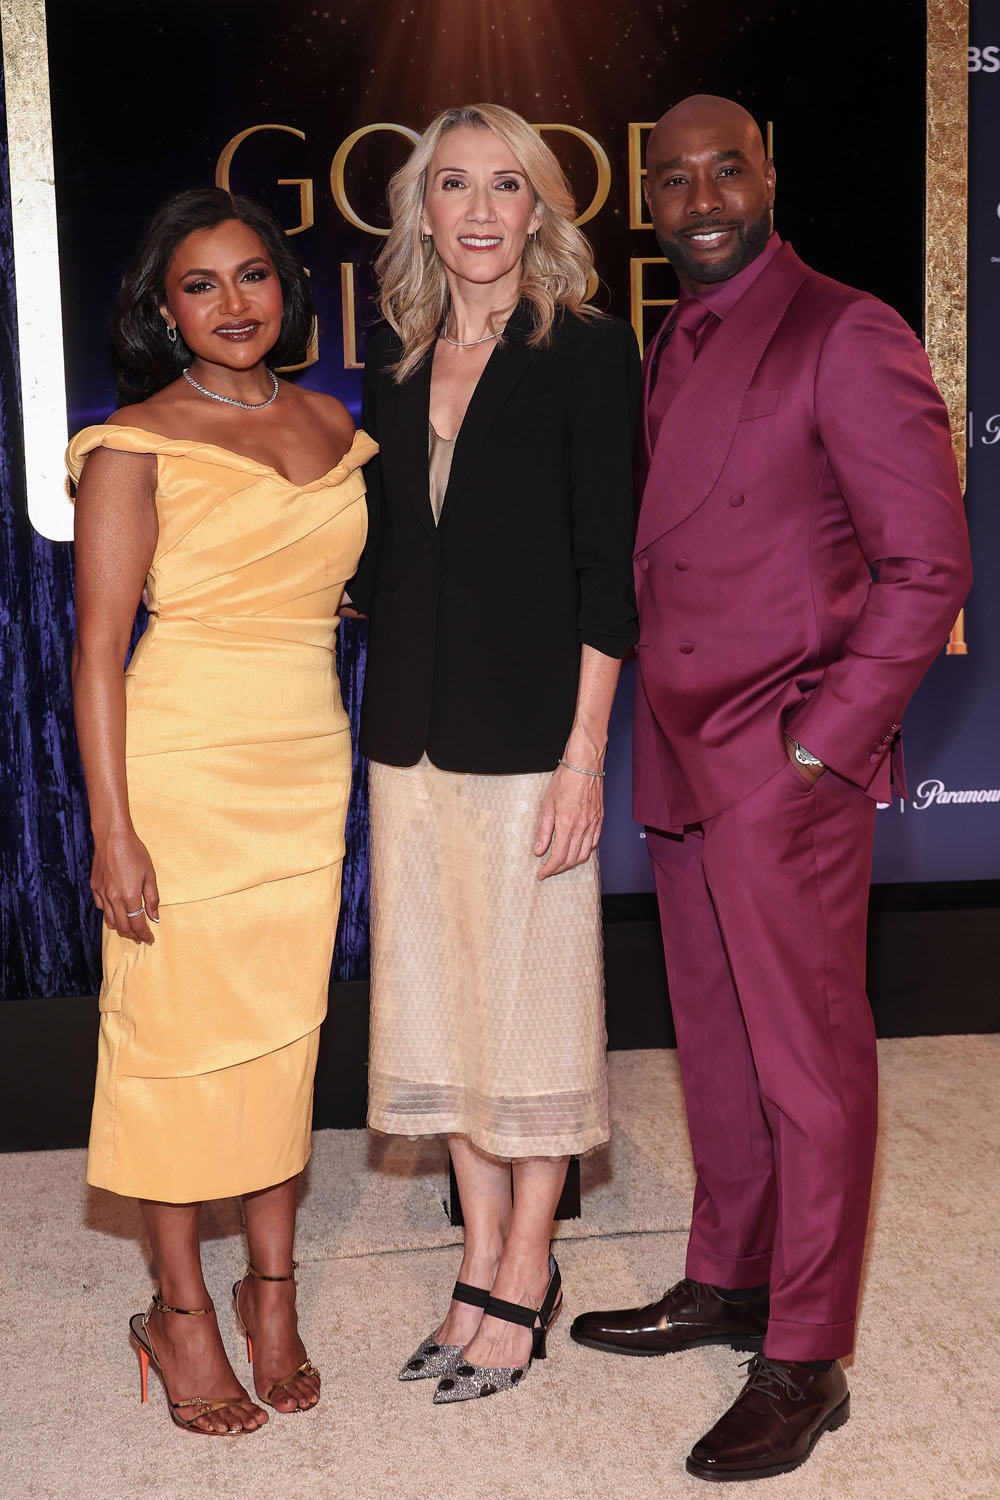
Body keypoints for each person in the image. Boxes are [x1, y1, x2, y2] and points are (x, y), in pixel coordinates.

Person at [570, 95, 972, 1480]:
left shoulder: (845, 330)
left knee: (809, 1065)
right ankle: (730, 1278)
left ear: (769, 177)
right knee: (717, 1045)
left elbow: (929, 564)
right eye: (673, 180)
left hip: (783, 756)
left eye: (724, 170)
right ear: (649, 200)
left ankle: (806, 1356)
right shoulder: (671, 333)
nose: (701, 199)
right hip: (682, 749)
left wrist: (822, 747)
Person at [345, 103, 639, 1403]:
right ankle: (474, 1255)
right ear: (421, 211)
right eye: (452, 185)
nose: (477, 210)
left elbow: (607, 570)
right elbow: (383, 564)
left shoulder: (587, 350)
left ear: (538, 211)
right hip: (408, 740)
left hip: (531, 743)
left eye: (504, 186)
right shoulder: (394, 365)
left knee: (532, 1010)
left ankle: (528, 1266)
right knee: (443, 1004)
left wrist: (586, 756)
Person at [69, 187, 374, 1435]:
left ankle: (272, 1293)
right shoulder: (135, 443)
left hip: (305, 766)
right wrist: (113, 830)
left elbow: (321, 575)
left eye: (252, 275)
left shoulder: (334, 423)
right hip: (183, 770)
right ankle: (179, 1309)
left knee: (279, 1040)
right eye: (200, 285)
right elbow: (96, 653)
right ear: (164, 309)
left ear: (284, 289)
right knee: (173, 1045)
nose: (233, 303)